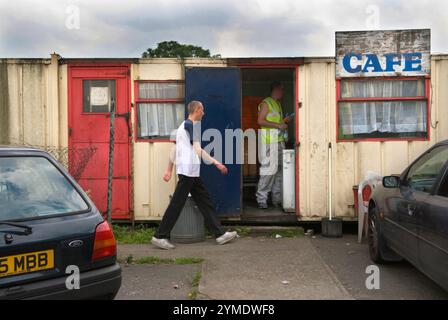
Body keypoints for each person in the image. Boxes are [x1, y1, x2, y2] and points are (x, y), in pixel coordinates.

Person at [151, 100, 238, 250]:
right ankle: (159, 236)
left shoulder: (183, 127)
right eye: (202, 110)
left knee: (205, 201)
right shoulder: (190, 126)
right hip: (187, 172)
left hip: (191, 172)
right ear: (196, 110)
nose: (203, 113)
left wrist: (169, 169)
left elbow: (175, 150)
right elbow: (198, 150)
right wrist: (217, 163)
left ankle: (219, 234)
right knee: (177, 204)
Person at [255, 81, 288, 210]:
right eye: (281, 89)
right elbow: (260, 121)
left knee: (279, 172)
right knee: (268, 171)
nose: (283, 92)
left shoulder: (277, 104)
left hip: (279, 141)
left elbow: (277, 122)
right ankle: (261, 199)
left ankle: (276, 199)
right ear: (275, 89)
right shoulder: (266, 103)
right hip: (269, 142)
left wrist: (283, 123)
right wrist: (278, 125)